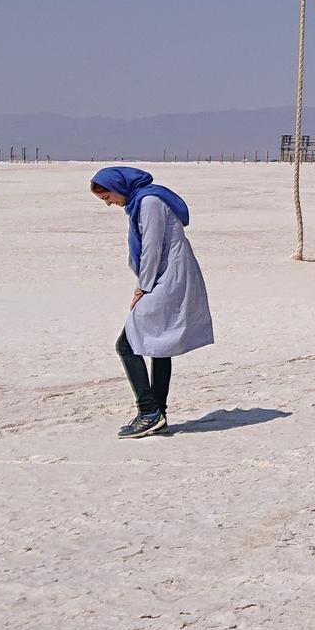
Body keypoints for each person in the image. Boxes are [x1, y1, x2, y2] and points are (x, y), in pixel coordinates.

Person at [89, 166, 214, 438]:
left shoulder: (149, 202)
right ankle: (159, 413)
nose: (110, 203)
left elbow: (152, 248)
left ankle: (149, 412)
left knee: (127, 344)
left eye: (108, 197)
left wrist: (142, 288)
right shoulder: (140, 203)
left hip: (168, 278)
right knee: (160, 343)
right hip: (165, 276)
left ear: (119, 187)